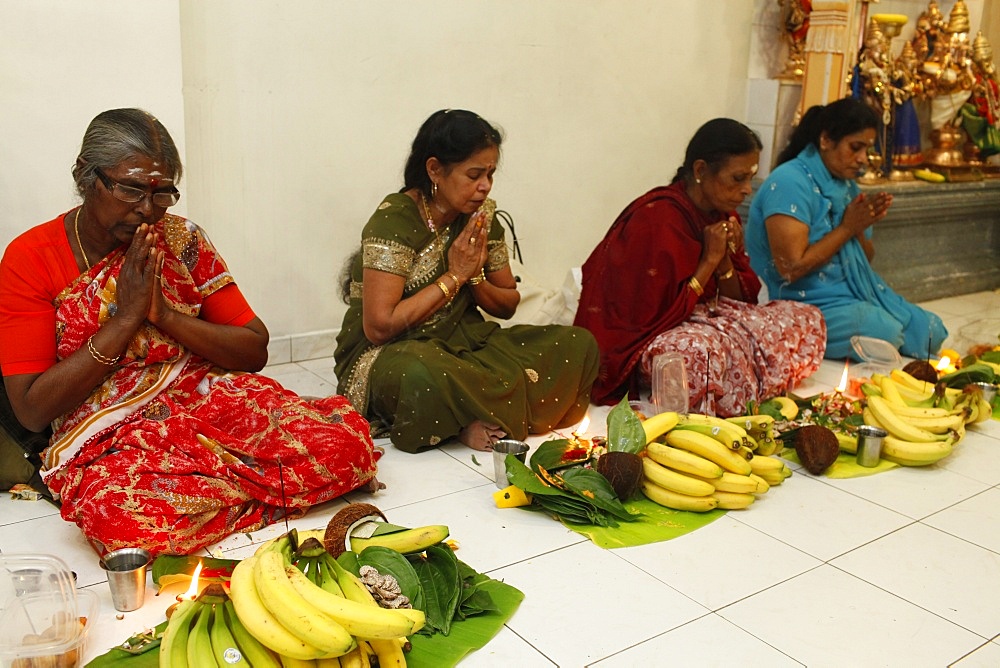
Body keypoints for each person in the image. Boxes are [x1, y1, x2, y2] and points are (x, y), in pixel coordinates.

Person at [0, 109, 380, 557]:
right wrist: (124, 320)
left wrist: (165, 316)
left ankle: (219, 500)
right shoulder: (31, 258)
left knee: (348, 445)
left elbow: (253, 348)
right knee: (118, 520)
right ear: (85, 177)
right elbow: (30, 409)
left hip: (205, 400)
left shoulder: (180, 240)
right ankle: (273, 493)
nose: (147, 208)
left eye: (163, 193)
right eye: (131, 189)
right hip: (109, 431)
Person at [335, 109, 599, 453]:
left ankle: (469, 412)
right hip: (391, 351)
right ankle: (461, 424)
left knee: (577, 344)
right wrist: (454, 275)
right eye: (474, 174)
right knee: (422, 375)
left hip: (465, 341)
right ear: (434, 170)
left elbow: (507, 304)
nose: (485, 185)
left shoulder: (480, 218)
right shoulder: (395, 219)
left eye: (489, 174)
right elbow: (379, 327)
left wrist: (473, 276)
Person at [574, 119, 826, 416]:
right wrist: (708, 261)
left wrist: (724, 262)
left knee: (805, 316)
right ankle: (727, 391)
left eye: (751, 178)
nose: (747, 190)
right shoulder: (656, 219)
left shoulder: (723, 215)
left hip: (711, 318)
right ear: (700, 170)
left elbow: (741, 302)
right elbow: (652, 319)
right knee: (695, 354)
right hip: (658, 335)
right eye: (738, 178)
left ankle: (741, 386)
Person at [746, 98, 948, 360]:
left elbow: (866, 259)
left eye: (867, 149)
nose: (862, 159)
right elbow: (790, 267)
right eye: (855, 147)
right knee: (884, 331)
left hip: (850, 294)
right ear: (826, 140)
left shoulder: (845, 185)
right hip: (798, 302)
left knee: (931, 332)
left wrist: (861, 226)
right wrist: (848, 227)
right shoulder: (789, 182)